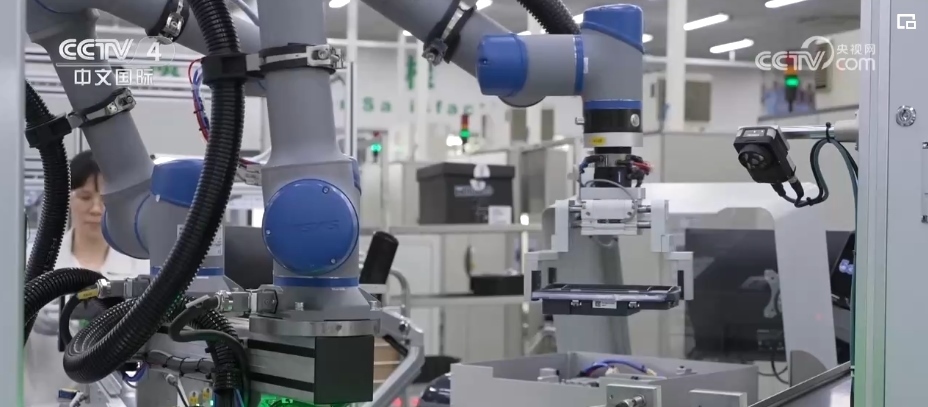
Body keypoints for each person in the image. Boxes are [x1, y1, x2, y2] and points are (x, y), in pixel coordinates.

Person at [24, 150, 150, 406]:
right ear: (67, 198)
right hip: (44, 398)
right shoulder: (33, 262)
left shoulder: (141, 266)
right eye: (84, 197)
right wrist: (25, 314)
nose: (95, 209)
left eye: (105, 199)